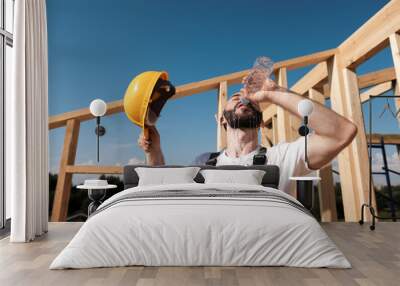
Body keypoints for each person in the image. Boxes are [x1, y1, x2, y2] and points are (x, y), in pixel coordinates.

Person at [137, 77, 357, 196]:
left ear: (261, 121)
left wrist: (274, 93)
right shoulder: (204, 163)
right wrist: (154, 152)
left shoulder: (283, 157)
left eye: (253, 102)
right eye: (235, 97)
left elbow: (342, 133)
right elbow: (161, 193)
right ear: (221, 119)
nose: (245, 100)